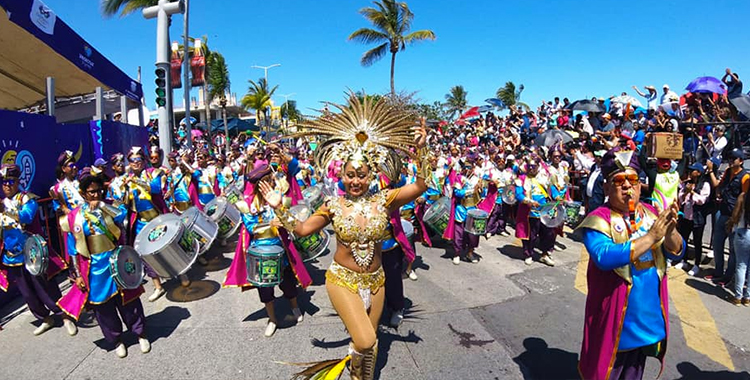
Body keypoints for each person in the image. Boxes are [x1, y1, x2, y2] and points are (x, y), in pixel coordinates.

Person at [268, 93, 428, 380]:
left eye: (362, 175)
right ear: (341, 173)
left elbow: (420, 185)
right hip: (342, 280)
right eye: (350, 174)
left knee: (369, 343)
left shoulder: (386, 199)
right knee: (366, 339)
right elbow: (302, 230)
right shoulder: (332, 205)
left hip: (376, 280)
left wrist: (422, 151)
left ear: (372, 174)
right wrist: (280, 209)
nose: (356, 181)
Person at [577, 148, 684, 380]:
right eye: (619, 180)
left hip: (646, 313)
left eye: (633, 179)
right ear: (606, 188)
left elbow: (676, 252)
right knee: (606, 369)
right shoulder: (597, 219)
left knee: (634, 370)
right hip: (614, 314)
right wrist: (651, 238)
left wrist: (672, 229)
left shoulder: (651, 213)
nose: (627, 186)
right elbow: (603, 257)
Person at [57, 170, 151, 358]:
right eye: (91, 192)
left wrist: (101, 206)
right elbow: (73, 248)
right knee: (103, 307)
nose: (96, 194)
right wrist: (77, 275)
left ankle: (140, 333)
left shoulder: (110, 207)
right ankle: (116, 340)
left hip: (116, 259)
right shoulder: (74, 217)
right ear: (83, 193)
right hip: (93, 268)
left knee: (130, 300)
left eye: (99, 190)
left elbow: (122, 217)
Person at [0, 164, 77, 336]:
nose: (6, 185)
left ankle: (64, 315)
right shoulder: (2, 203)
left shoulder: (28, 199)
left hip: (32, 253)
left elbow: (27, 216)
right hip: (12, 256)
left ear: (18, 182)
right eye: (4, 182)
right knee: (27, 293)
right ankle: (44, 318)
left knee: (46, 286)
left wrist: (6, 211)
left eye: (10, 181)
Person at [238, 164, 309, 337]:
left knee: (288, 282)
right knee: (265, 288)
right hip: (259, 250)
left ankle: (294, 306)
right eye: (264, 182)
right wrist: (269, 224)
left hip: (280, 248)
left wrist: (282, 215)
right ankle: (272, 319)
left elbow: (292, 219)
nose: (269, 184)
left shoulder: (281, 199)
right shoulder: (246, 205)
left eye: (270, 180)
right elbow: (250, 226)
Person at [706, 148, 749, 285]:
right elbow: (717, 185)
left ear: (741, 161)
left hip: (734, 217)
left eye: (734, 158)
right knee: (717, 245)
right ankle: (718, 272)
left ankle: (727, 277)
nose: (730, 161)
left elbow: (745, 198)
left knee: (732, 250)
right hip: (722, 211)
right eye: (730, 158)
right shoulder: (728, 172)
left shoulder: (745, 177)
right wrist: (711, 172)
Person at [676, 162, 711, 276]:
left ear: (699, 172)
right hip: (686, 216)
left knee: (697, 242)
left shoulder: (704, 185)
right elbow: (680, 199)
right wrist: (686, 192)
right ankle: (683, 260)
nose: (691, 173)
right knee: (684, 239)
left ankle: (696, 265)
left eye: (693, 170)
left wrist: (692, 193)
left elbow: (702, 200)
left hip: (697, 218)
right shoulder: (687, 184)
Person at [726, 190, 750, 306]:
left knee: (741, 265)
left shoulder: (744, 196)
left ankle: (738, 297)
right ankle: (748, 297)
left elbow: (735, 215)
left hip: (743, 231)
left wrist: (731, 225)